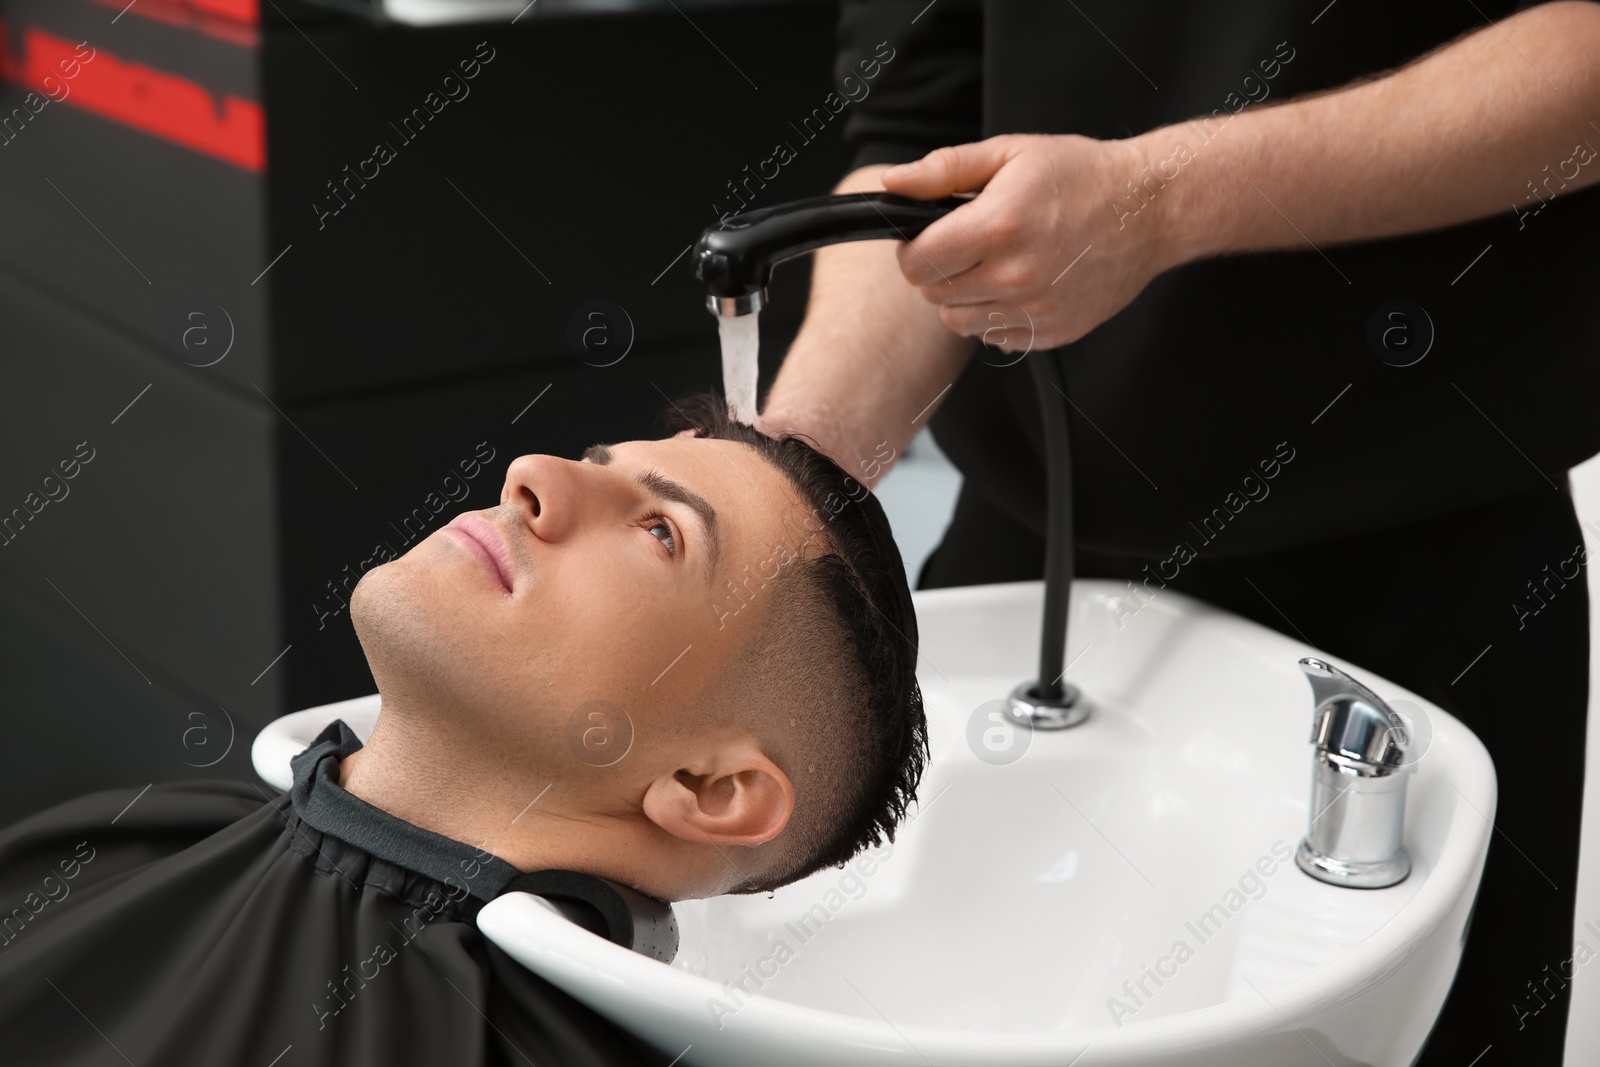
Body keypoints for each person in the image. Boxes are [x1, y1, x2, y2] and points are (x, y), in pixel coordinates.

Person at [756, 1, 1600, 1062]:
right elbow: (917, 154)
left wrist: (1161, 202)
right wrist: (782, 504)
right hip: (1024, 574)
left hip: (1424, 596)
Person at [0, 395, 928, 1066]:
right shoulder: (126, 840)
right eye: (597, 459)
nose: (535, 474)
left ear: (706, 788)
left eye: (659, 531)